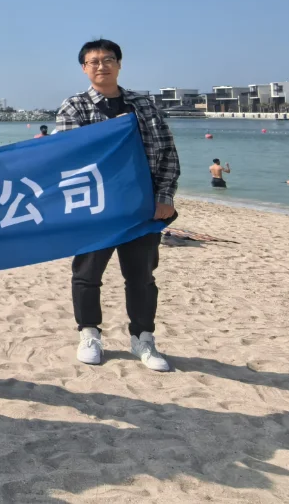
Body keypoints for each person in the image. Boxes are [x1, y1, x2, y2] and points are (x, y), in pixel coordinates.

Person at [57, 38, 180, 373]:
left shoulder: (144, 104)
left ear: (119, 64)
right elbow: (69, 155)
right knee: (87, 274)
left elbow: (168, 151)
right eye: (94, 61)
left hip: (143, 207)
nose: (102, 66)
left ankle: (143, 338)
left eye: (108, 59)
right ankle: (89, 334)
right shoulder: (75, 106)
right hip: (96, 208)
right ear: (84, 68)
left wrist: (165, 196)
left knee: (142, 277)